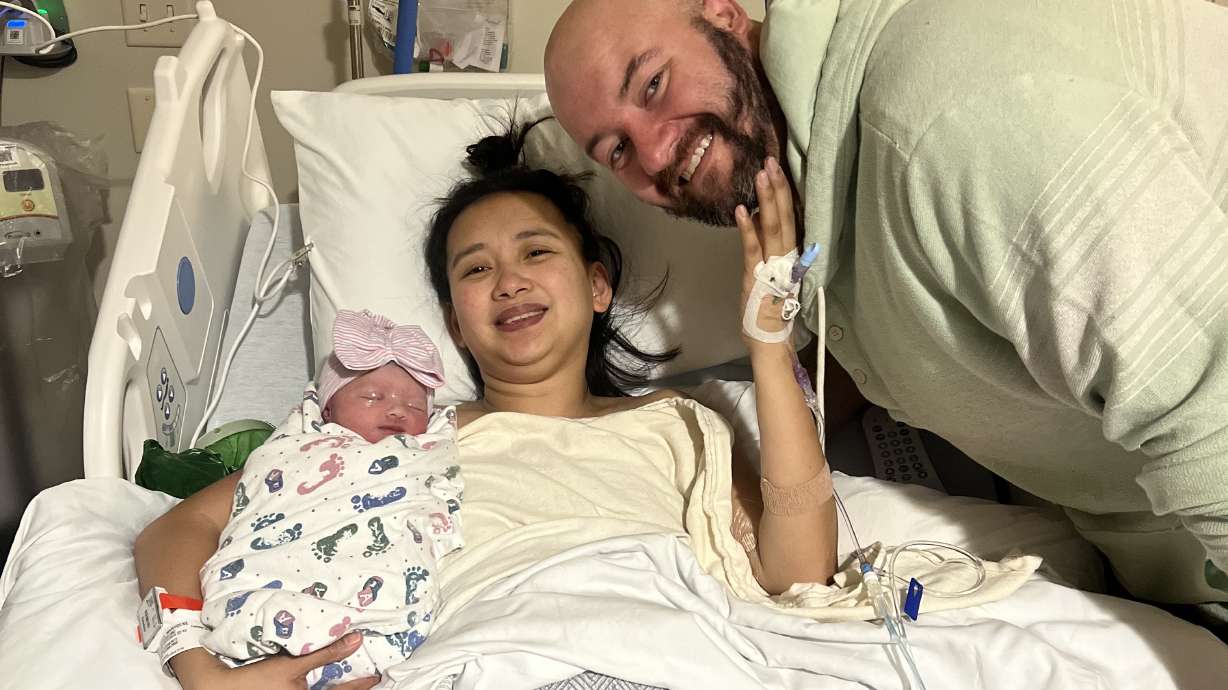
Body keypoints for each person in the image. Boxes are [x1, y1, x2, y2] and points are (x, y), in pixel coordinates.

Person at [542, 0, 1228, 607]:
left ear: (722, 13)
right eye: (617, 149)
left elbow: (1214, 422)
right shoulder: (814, 191)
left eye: (654, 83)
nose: (657, 151)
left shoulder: (950, 131)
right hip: (1148, 558)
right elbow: (889, 348)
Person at [133, 121, 837, 689]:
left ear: (597, 286)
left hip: (671, 647)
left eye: (535, 253)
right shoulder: (393, 435)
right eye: (476, 269)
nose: (507, 282)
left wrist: (768, 342)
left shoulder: (679, 424)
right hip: (483, 652)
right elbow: (180, 527)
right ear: (454, 323)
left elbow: (799, 571)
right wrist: (196, 665)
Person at [167, 309, 463, 689]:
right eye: (372, 396)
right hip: (257, 609)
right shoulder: (297, 450)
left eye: (415, 406)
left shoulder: (429, 450)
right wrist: (200, 671)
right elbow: (184, 525)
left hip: (373, 632)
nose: (396, 410)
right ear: (325, 410)